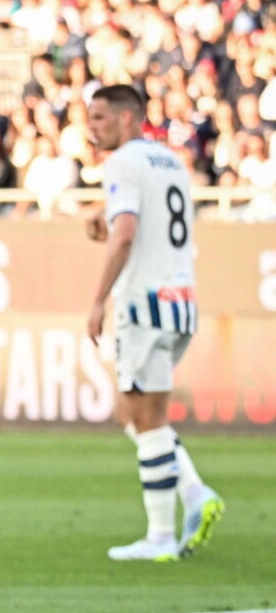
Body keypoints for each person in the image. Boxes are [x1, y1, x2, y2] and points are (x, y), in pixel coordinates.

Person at [83, 84, 225, 562]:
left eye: (100, 117)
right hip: (180, 301)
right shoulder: (170, 161)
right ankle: (194, 492)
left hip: (144, 303)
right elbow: (148, 222)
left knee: (144, 418)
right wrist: (106, 219)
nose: (92, 127)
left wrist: (98, 300)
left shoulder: (122, 162)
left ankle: (162, 535)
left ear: (128, 117)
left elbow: (126, 235)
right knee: (135, 412)